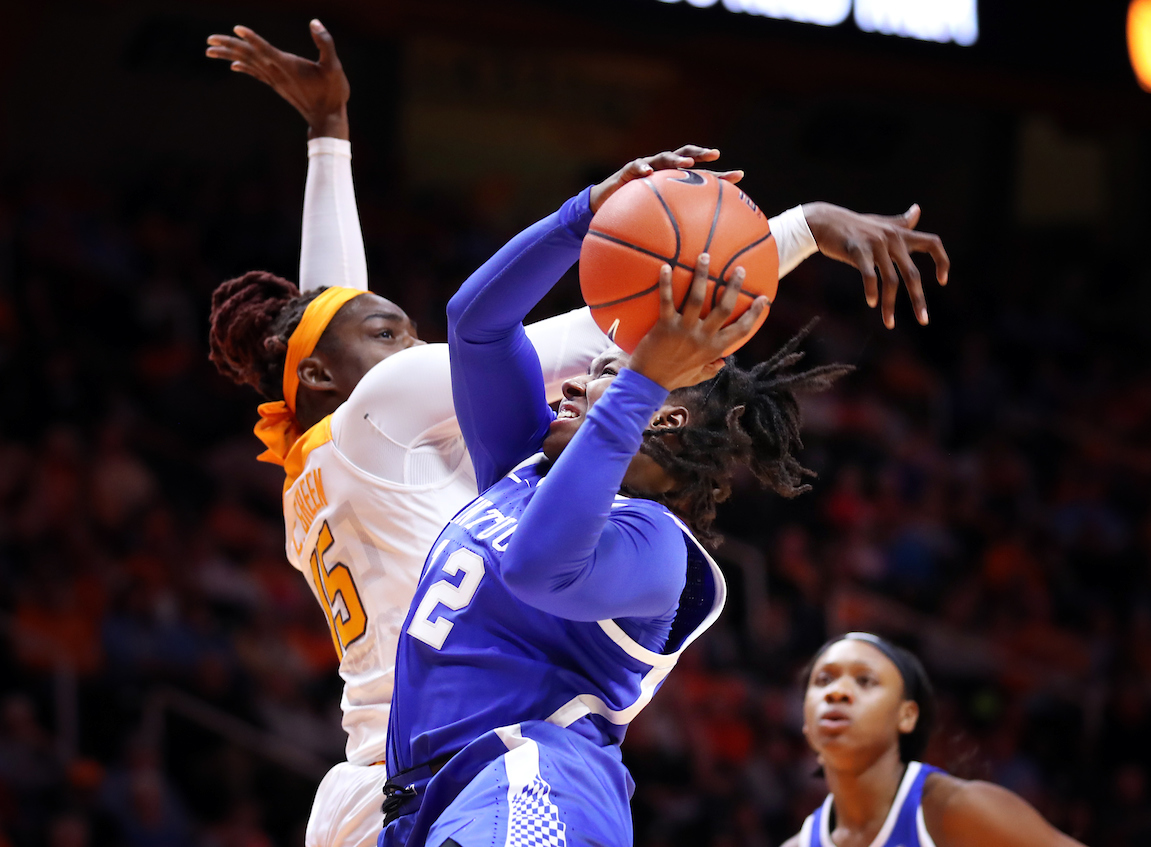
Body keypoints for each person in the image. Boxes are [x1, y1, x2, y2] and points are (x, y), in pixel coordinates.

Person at [203, 21, 951, 847]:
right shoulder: (398, 409)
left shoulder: (324, 458)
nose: (418, 352)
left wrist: (328, 139)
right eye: (393, 336)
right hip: (424, 775)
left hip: (446, 769)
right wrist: (796, 231)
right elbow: (616, 334)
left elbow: (336, 318)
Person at [377, 163, 862, 847]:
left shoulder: (655, 545)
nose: (571, 384)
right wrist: (583, 214)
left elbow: (537, 567)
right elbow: (476, 322)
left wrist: (640, 383)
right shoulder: (524, 466)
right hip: (432, 799)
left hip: (530, 779)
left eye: (605, 375)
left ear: (660, 418)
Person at [785, 633, 1086, 847]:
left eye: (865, 680)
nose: (837, 692)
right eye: (823, 680)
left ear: (906, 716)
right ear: (807, 725)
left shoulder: (958, 811)